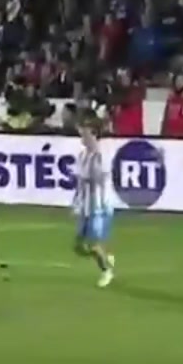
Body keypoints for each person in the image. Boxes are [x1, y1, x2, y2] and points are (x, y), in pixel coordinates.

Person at [71, 119, 118, 288]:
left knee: (93, 242)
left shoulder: (101, 155)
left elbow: (99, 178)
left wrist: (87, 179)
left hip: (99, 206)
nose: (82, 137)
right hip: (85, 205)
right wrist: (76, 201)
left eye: (85, 134)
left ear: (94, 135)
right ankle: (106, 258)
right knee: (78, 247)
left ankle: (106, 271)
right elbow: (80, 180)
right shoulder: (83, 155)